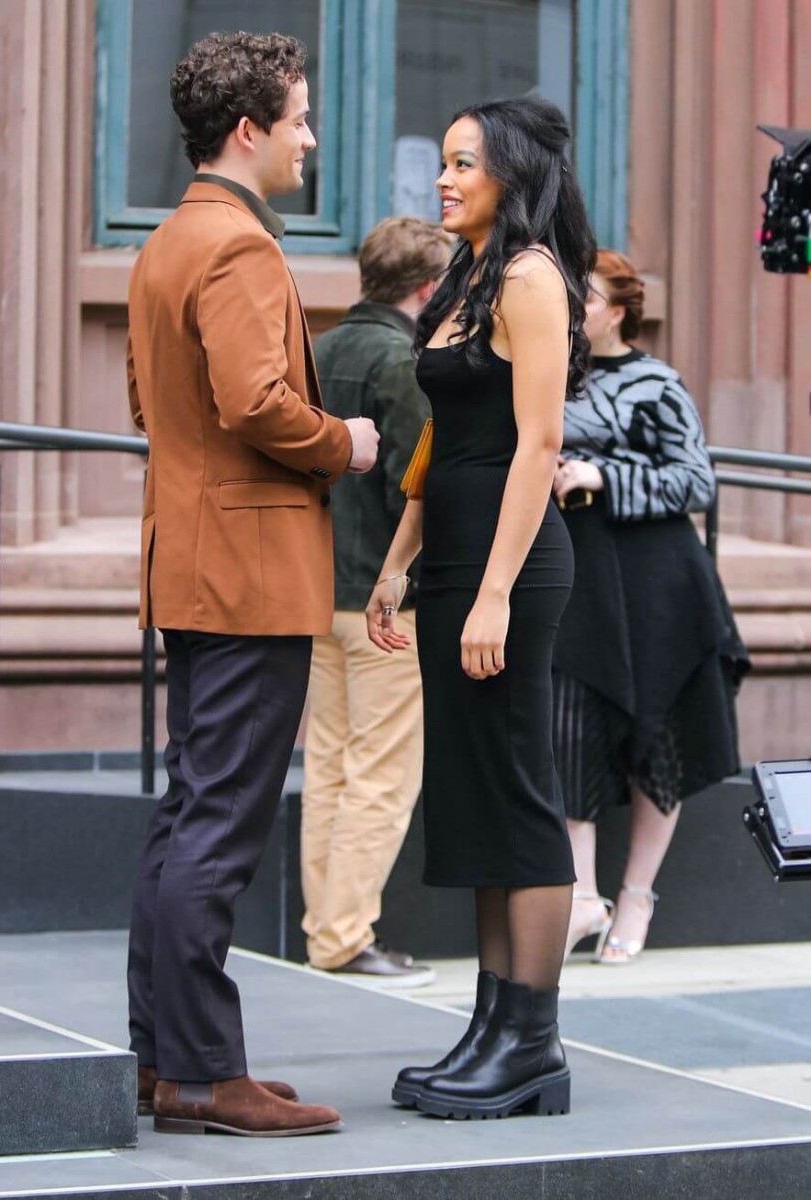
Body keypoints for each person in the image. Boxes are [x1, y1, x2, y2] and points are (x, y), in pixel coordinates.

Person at [125, 31, 379, 1138]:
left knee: (191, 815)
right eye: (303, 117)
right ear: (250, 128)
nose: (311, 138)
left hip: (196, 562)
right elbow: (254, 403)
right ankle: (194, 1072)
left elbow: (156, 409)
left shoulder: (167, 242)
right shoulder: (236, 248)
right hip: (248, 572)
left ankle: (177, 1062)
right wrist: (348, 443)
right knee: (219, 822)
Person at [366, 97, 596, 1119]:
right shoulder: (465, 281)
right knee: (476, 799)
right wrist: (397, 561)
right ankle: (494, 1023)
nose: (444, 177)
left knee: (519, 792)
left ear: (511, 171)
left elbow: (536, 448)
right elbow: (438, 442)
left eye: (465, 163)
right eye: (444, 161)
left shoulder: (534, 277)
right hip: (454, 563)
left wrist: (495, 591)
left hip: (512, 570)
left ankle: (534, 1042)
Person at [553, 249, 749, 963]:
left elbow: (695, 480)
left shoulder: (657, 383)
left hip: (658, 584)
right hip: (579, 583)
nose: (574, 308)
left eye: (588, 297)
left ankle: (636, 894)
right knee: (568, 728)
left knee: (657, 739)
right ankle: (580, 897)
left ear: (620, 309)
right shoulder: (549, 375)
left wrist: (602, 474)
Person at [301, 217, 452, 988]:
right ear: (428, 289)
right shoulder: (406, 363)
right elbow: (419, 487)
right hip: (387, 602)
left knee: (329, 764)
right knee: (382, 775)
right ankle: (343, 935)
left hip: (319, 590)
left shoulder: (318, 350)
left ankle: (327, 932)